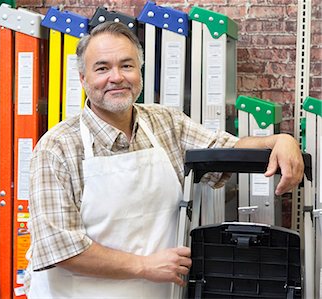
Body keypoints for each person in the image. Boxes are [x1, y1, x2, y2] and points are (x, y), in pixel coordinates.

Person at [24, 21, 304, 298]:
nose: (117, 76)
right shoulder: (56, 148)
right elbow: (60, 249)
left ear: (140, 72)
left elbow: (228, 149)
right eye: (102, 68)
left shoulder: (166, 123)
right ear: (83, 78)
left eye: (127, 65)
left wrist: (280, 141)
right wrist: (144, 266)